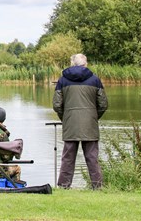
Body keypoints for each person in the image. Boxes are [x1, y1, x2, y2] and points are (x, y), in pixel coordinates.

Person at [53, 53, 108, 189]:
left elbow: (57, 104)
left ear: (72, 64)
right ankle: (97, 186)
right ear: (86, 64)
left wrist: (65, 118)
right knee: (92, 157)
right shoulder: (95, 80)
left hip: (70, 123)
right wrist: (94, 117)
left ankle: (64, 186)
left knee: (68, 157)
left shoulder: (62, 80)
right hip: (90, 123)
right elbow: (103, 104)